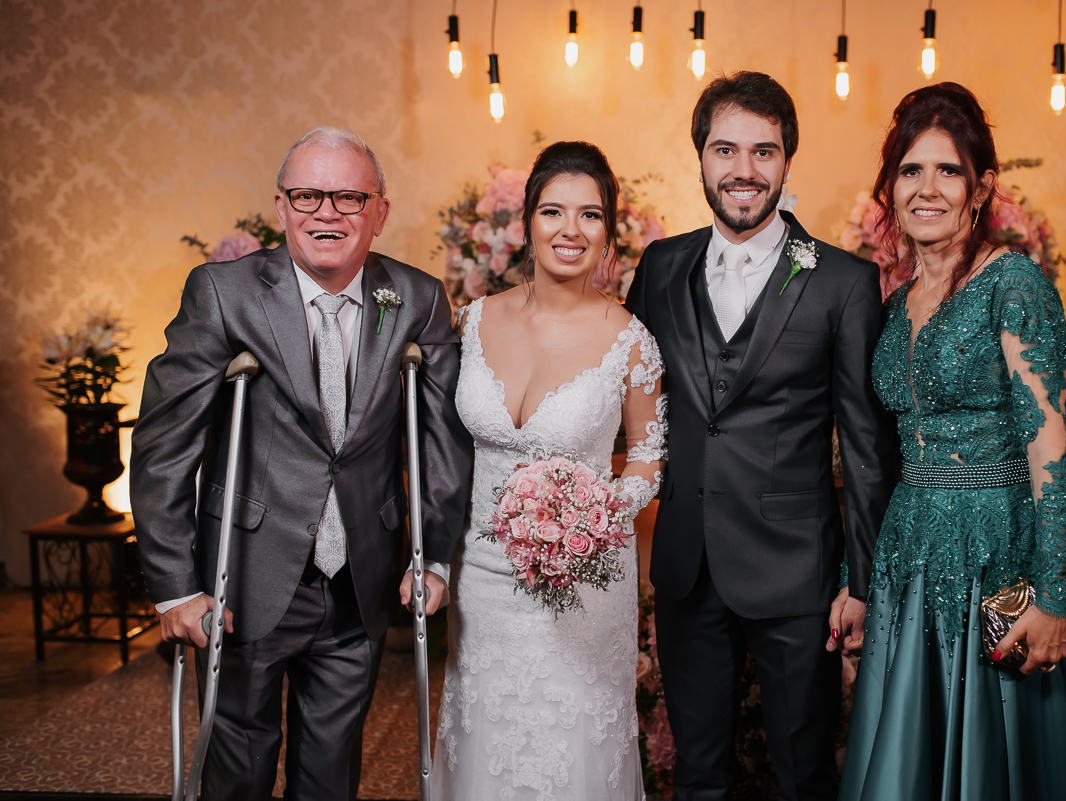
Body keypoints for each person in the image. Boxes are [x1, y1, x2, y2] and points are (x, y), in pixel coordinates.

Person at [131, 127, 473, 801]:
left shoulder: (418, 297)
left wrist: (432, 557)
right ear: (282, 206)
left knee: (331, 773)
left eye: (349, 196)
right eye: (309, 195)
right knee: (239, 772)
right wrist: (174, 584)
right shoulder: (224, 292)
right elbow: (165, 440)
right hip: (245, 576)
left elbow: (441, 440)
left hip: (360, 581)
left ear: (380, 210)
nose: (328, 213)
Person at [837, 83, 1066, 800]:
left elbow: (1052, 447)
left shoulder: (1013, 284)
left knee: (1005, 757)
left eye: (947, 170)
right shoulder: (894, 299)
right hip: (910, 550)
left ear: (982, 187)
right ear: (890, 187)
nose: (927, 188)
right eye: (910, 171)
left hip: (999, 549)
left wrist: (1058, 596)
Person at [624, 71, 896, 800]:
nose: (743, 171)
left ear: (786, 160)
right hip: (686, 564)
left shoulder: (841, 280)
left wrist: (862, 583)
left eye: (764, 152)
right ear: (701, 157)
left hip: (795, 570)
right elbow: (623, 394)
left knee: (804, 772)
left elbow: (866, 447)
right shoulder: (660, 266)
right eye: (725, 150)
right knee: (698, 771)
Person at [431, 140, 666, 800]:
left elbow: (648, 456)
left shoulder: (630, 339)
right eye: (553, 211)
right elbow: (442, 449)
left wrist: (596, 514)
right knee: (485, 745)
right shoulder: (470, 321)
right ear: (526, 222)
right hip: (481, 584)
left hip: (581, 584)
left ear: (608, 231)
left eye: (590, 215)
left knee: (571, 756)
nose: (571, 230)